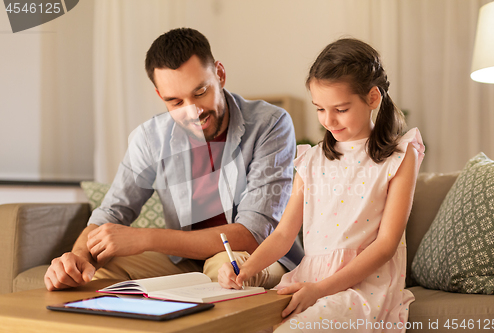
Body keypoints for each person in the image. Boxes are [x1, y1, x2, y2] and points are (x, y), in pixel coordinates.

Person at [44, 28, 304, 291]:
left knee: (227, 271)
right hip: (183, 260)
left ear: (220, 75)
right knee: (98, 275)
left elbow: (251, 235)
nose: (193, 111)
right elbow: (112, 212)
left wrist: (146, 238)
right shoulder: (150, 138)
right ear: (161, 96)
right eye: (175, 102)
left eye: (200, 92)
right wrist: (77, 258)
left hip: (257, 255)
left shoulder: (270, 124)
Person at [218, 38, 425, 332]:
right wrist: (245, 269)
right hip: (309, 281)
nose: (328, 120)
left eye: (340, 109)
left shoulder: (399, 157)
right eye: (320, 109)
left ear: (373, 98)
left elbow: (385, 246)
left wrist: (321, 290)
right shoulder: (311, 159)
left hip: (362, 289)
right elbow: (284, 234)